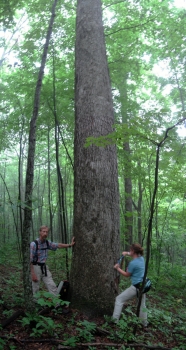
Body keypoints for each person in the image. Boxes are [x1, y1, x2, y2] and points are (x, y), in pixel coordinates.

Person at [30, 225, 75, 297]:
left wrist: (70, 245)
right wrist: (33, 274)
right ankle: (35, 304)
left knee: (52, 285)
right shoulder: (34, 244)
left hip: (44, 267)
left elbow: (58, 245)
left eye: (47, 232)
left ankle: (56, 304)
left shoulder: (47, 243)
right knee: (35, 287)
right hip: (35, 267)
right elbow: (30, 260)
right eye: (43, 231)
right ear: (40, 232)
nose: (45, 233)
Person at [112, 243, 147, 327]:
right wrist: (127, 253)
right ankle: (144, 324)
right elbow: (133, 254)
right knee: (142, 305)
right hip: (143, 286)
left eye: (130, 250)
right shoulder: (141, 259)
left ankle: (114, 321)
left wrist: (117, 268)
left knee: (119, 299)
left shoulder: (133, 263)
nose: (129, 251)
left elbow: (127, 275)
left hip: (135, 287)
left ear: (133, 251)